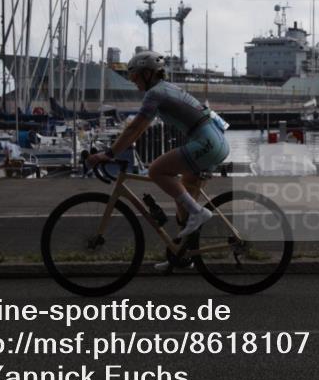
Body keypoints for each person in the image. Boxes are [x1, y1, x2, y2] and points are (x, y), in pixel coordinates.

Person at [85, 50, 230, 264]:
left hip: (206, 143)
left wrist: (109, 153)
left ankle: (199, 213)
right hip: (214, 140)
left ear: (147, 73)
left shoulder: (155, 94)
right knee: (183, 204)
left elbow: (135, 128)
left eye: (134, 76)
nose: (133, 81)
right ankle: (180, 256)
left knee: (156, 170)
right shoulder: (167, 88)